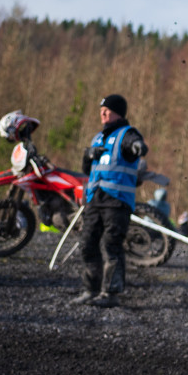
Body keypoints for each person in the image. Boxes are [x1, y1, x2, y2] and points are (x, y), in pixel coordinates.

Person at [72, 94, 148, 308]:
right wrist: (88, 155)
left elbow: (136, 145)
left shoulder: (127, 134)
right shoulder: (97, 138)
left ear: (119, 113)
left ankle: (110, 293)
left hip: (116, 201)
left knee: (110, 245)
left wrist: (138, 148)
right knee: (87, 244)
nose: (103, 113)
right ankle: (91, 289)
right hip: (95, 200)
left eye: (108, 110)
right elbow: (86, 169)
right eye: (101, 111)